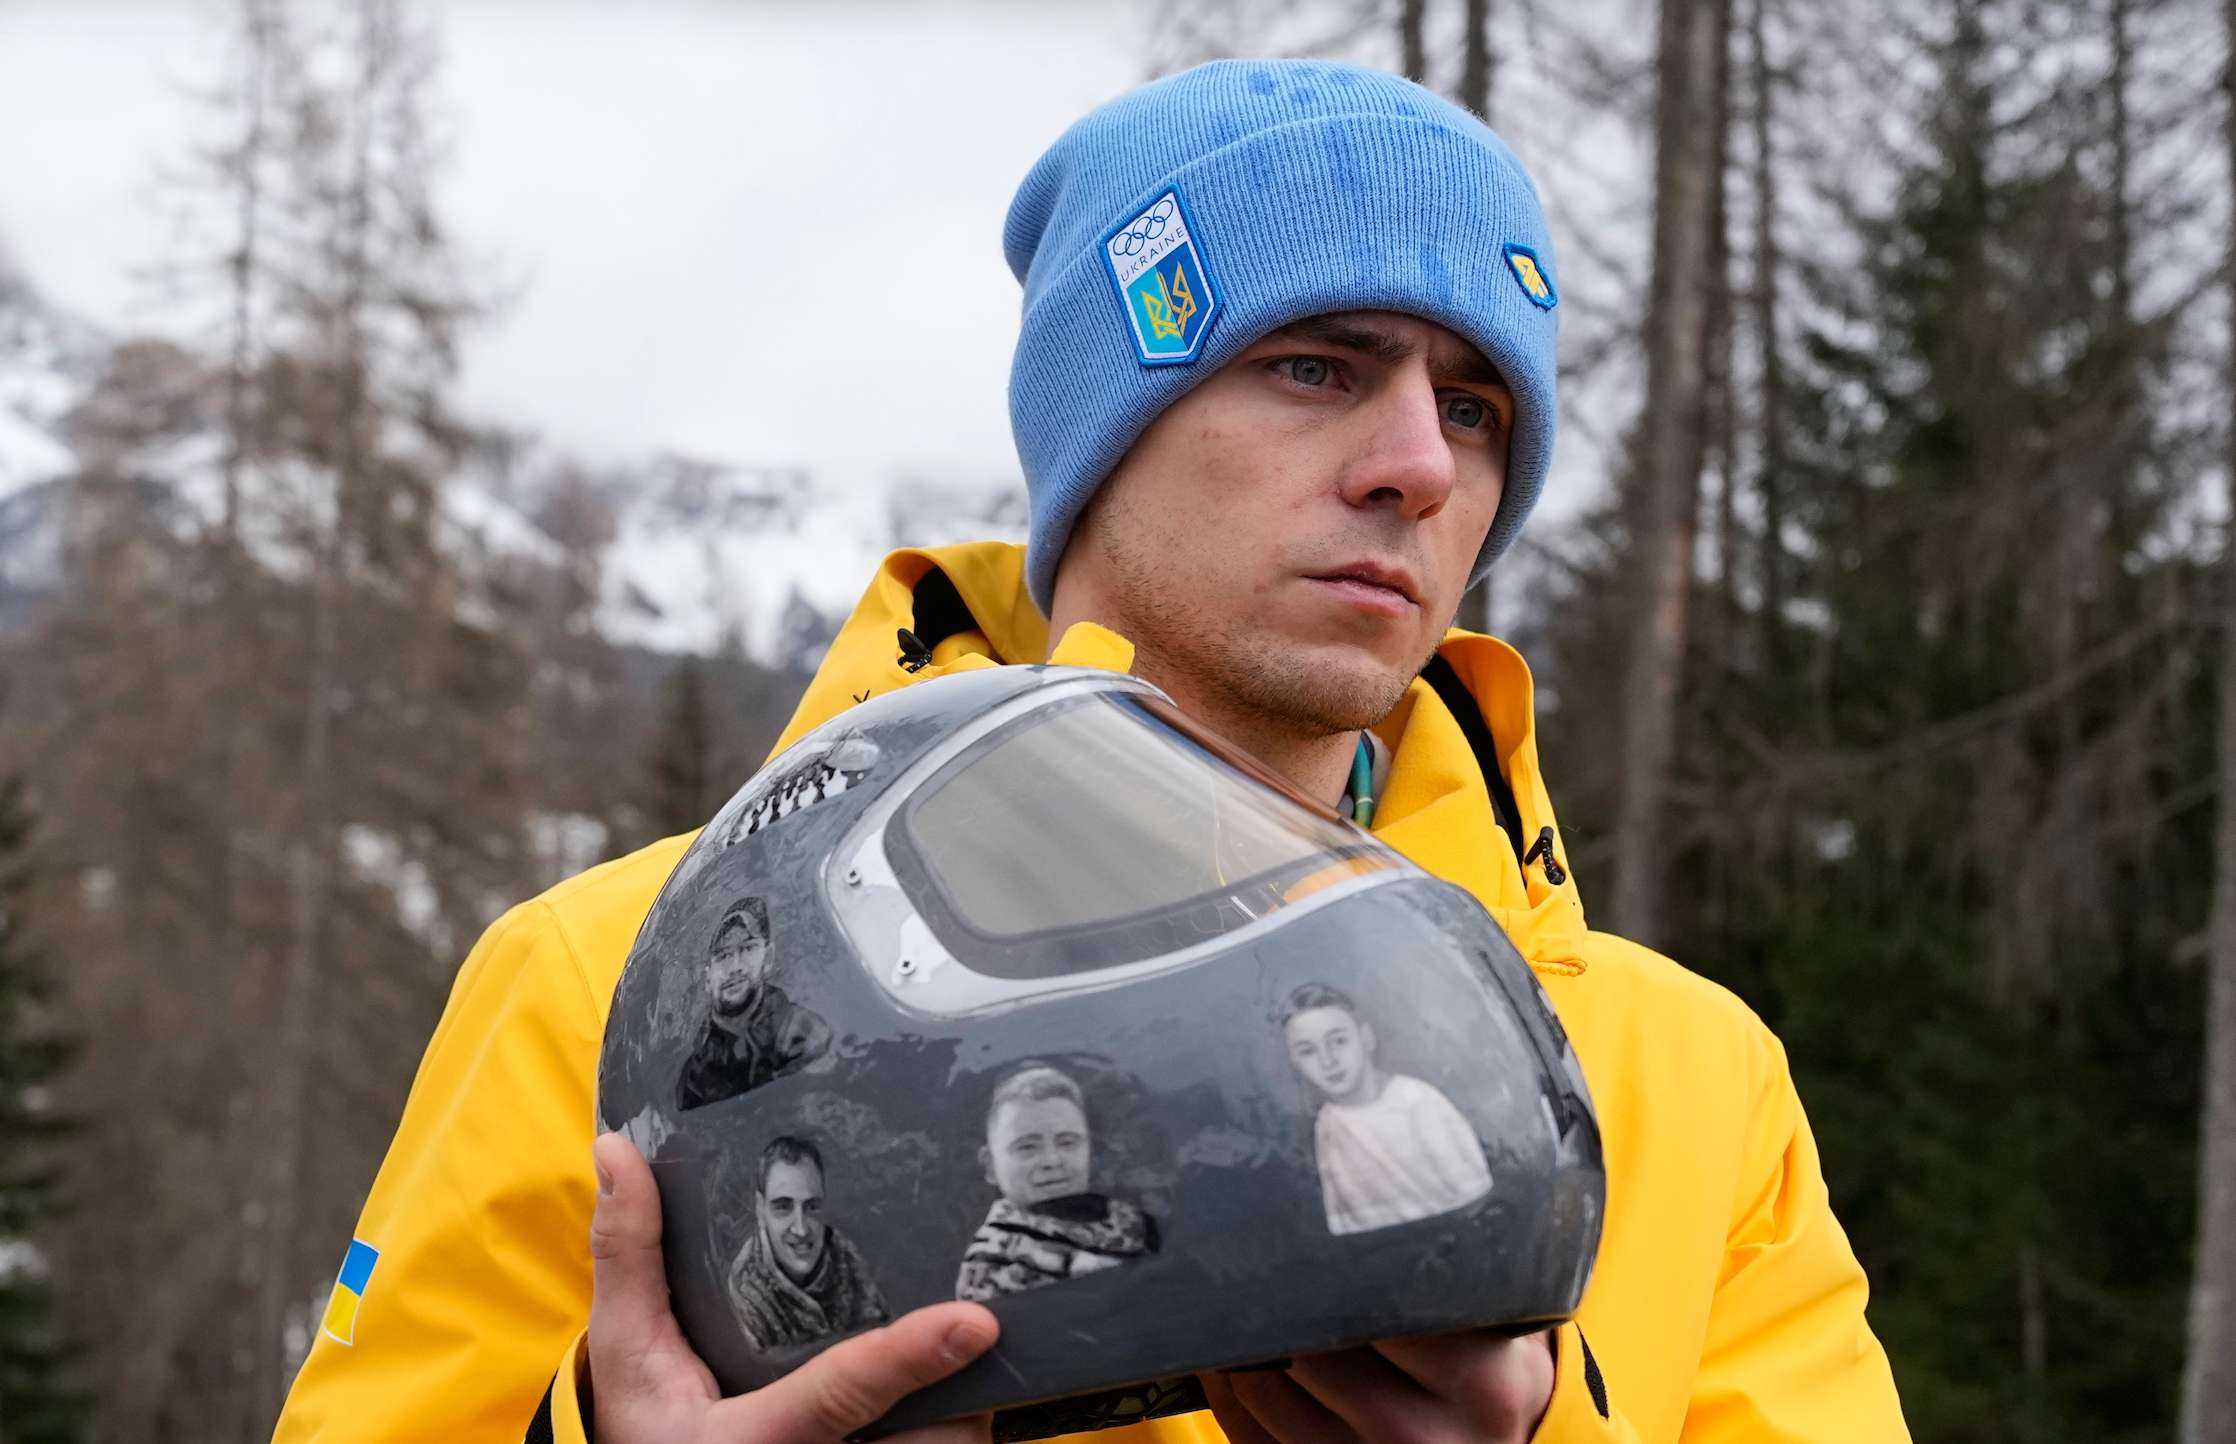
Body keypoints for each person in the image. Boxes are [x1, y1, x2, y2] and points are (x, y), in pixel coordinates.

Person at [274, 58, 1910, 1444]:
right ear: (1098, 436)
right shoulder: (622, 986)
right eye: (1316, 364)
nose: (1418, 460)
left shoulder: (1688, 1079)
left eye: (1476, 404)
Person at [1280, 982, 1492, 1235]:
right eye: (1308, 1051)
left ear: (1366, 1038)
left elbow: (1475, 1196)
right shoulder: (1327, 1124)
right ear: (1295, 1062)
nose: (1327, 1060)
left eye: (1338, 1041)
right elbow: (1345, 1222)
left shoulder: (1416, 1101)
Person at [955, 1066, 1159, 1301]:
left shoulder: (1132, 1220)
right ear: (990, 1165)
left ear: (1089, 1151)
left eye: (1067, 1142)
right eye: (1027, 1147)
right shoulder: (991, 1263)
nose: (1052, 1161)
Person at [727, 1137, 889, 1349]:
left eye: (812, 1207)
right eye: (783, 1207)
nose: (801, 1229)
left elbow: (880, 1330)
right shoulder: (746, 1288)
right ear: (760, 1210)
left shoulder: (844, 1256)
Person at [673, 896, 831, 1112]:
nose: (735, 966)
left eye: (747, 949)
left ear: (768, 958)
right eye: (723, 955)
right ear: (707, 978)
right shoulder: (694, 1073)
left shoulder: (804, 1034)